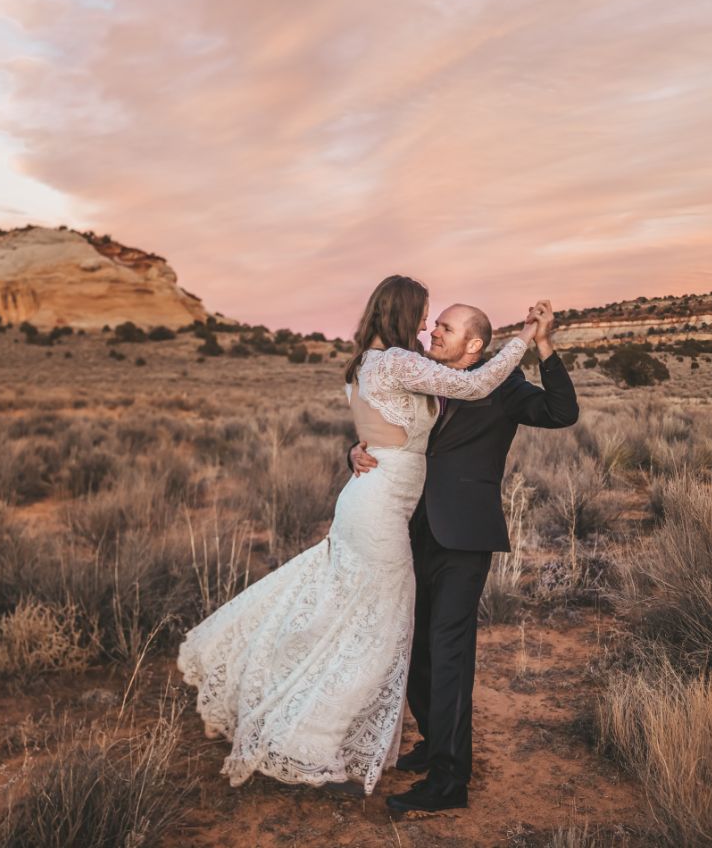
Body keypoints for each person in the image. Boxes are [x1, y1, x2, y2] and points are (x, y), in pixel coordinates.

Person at [176, 275, 543, 797]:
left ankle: (315, 725)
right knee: (377, 629)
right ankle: (313, 739)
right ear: (401, 313)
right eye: (422, 314)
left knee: (363, 621)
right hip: (379, 511)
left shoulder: (367, 363)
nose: (427, 324)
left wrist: (358, 448)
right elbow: (475, 384)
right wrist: (525, 337)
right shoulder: (394, 360)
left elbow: (381, 424)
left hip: (377, 502)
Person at [349, 299, 578, 813]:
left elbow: (563, 413)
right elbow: (388, 427)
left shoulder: (504, 384)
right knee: (417, 647)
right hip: (407, 528)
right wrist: (354, 451)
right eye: (435, 326)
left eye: (445, 329)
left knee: (449, 651)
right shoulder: (420, 375)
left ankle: (450, 782)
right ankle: (435, 742)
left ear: (474, 344)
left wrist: (542, 345)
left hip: (464, 535)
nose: (432, 332)